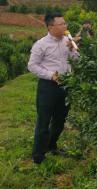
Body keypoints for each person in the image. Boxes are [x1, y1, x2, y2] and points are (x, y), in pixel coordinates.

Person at [28, 13, 78, 165]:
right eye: (61, 24)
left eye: (65, 24)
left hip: (65, 86)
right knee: (43, 121)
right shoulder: (41, 44)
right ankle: (39, 156)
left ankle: (51, 146)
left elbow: (78, 61)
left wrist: (72, 50)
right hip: (48, 87)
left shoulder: (68, 42)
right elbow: (32, 65)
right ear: (50, 27)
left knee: (60, 119)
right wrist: (51, 75)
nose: (65, 27)